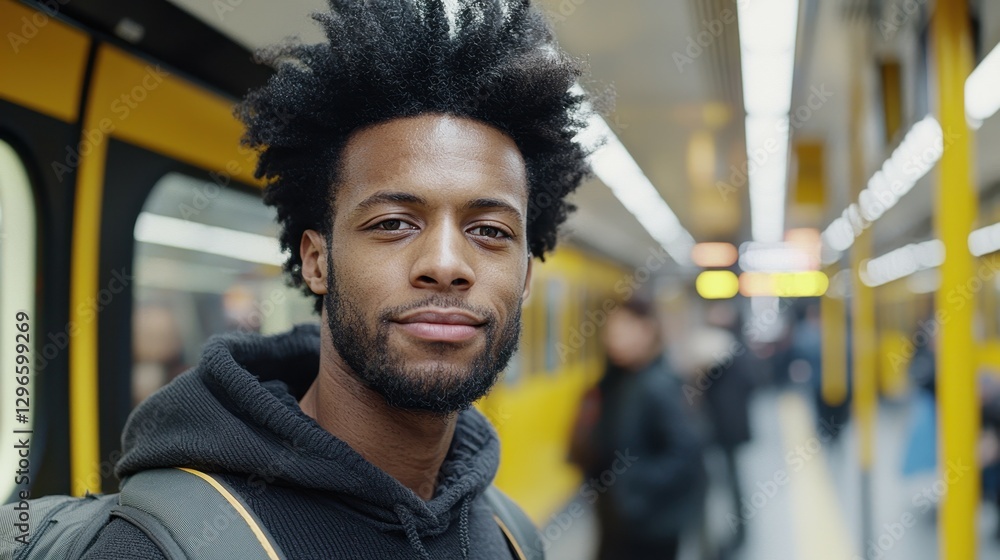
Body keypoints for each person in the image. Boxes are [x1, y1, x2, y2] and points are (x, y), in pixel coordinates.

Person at [12, 1, 597, 558]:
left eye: (490, 231)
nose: (446, 263)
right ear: (317, 262)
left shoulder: (509, 533)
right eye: (393, 223)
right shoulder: (152, 547)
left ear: (523, 278)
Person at [587, 295, 707, 560]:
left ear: (647, 331)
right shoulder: (620, 379)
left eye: (622, 328)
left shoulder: (657, 385)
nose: (611, 337)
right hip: (620, 519)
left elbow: (685, 451)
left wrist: (634, 490)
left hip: (649, 526)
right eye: (610, 330)